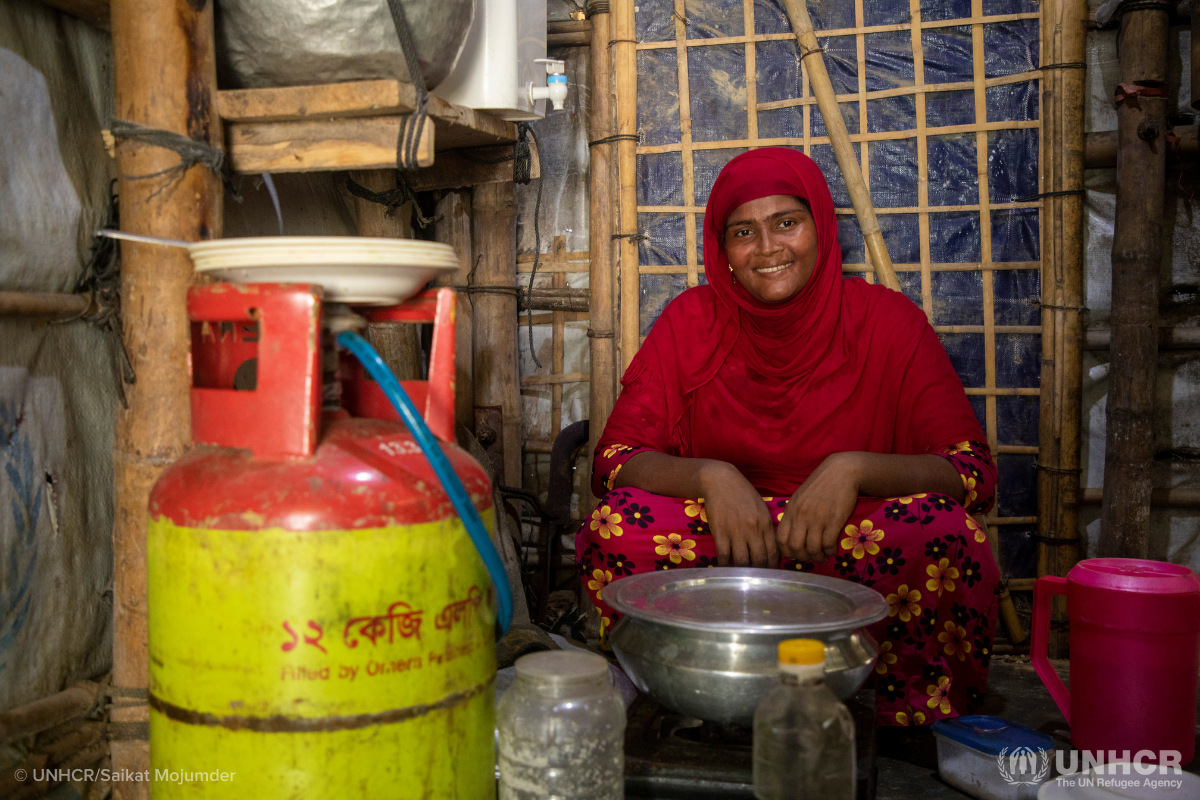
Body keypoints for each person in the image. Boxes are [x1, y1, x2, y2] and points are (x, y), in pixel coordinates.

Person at [577, 148, 1000, 727]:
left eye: (786, 223)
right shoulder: (690, 321)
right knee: (616, 529)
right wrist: (713, 477)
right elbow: (615, 463)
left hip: (851, 544)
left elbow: (971, 472)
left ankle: (904, 719)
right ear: (722, 251)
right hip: (725, 550)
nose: (768, 248)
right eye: (743, 232)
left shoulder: (889, 322)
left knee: (950, 535)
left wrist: (852, 471)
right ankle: (687, 696)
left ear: (820, 228)